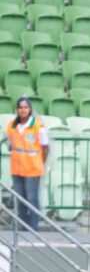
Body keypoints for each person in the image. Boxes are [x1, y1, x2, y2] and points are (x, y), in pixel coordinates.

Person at [5, 97, 48, 230]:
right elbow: (10, 144)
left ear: (30, 109)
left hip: (32, 168)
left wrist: (40, 162)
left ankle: (33, 227)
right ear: (17, 109)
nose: (23, 110)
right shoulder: (11, 125)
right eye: (20, 107)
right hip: (16, 168)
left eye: (25, 107)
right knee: (20, 199)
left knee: (31, 198)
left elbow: (45, 147)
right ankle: (23, 227)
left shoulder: (38, 126)